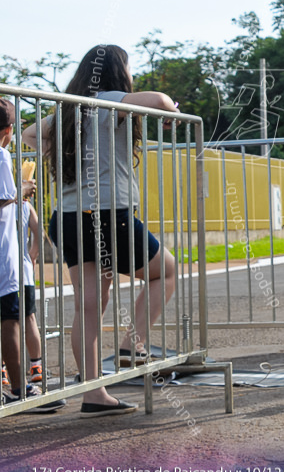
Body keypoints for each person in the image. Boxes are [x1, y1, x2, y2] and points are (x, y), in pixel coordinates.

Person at [23, 45, 179, 417]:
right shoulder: (111, 100)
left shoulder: (67, 110)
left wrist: (57, 149)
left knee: (89, 304)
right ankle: (132, 343)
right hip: (110, 213)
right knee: (167, 271)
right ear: (117, 71)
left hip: (69, 216)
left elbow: (29, 133)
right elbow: (158, 98)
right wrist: (172, 111)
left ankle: (93, 391)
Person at [0, 99, 65, 412]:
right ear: (9, 131)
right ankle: (18, 390)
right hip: (5, 261)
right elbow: (5, 200)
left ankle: (20, 380)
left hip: (12, 260)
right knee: (12, 320)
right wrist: (21, 192)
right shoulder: (1, 155)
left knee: (16, 318)